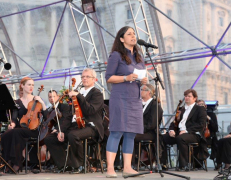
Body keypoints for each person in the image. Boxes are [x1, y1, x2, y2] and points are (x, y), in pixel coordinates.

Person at [105, 26, 148, 178]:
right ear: (122, 39)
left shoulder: (139, 57)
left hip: (134, 99)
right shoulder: (116, 55)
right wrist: (125, 78)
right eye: (129, 34)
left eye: (134, 33)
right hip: (120, 98)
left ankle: (127, 167)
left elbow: (139, 78)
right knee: (117, 131)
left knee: (131, 133)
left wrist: (143, 81)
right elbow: (109, 77)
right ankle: (110, 168)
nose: (133, 36)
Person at [0, 77, 46, 171]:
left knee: (16, 133)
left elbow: (46, 116)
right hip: (20, 128)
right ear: (22, 85)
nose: (31, 87)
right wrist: (12, 124)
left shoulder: (36, 100)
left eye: (32, 85)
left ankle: (16, 163)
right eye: (29, 84)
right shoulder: (17, 102)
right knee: (5, 135)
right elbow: (14, 118)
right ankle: (8, 161)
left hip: (32, 130)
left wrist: (42, 103)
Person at [160, 89, 208, 171]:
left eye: (189, 96)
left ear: (195, 98)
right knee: (162, 137)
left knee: (181, 138)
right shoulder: (181, 109)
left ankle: (184, 165)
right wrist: (171, 130)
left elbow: (201, 125)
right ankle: (163, 164)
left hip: (193, 134)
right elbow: (174, 122)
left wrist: (186, 131)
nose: (186, 98)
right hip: (179, 133)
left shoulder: (200, 109)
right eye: (185, 96)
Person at [67, 68, 104, 173]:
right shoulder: (79, 92)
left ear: (94, 79)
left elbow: (90, 110)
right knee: (55, 137)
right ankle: (64, 165)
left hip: (92, 126)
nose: (84, 78)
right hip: (78, 125)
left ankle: (82, 164)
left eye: (88, 76)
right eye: (83, 76)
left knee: (73, 135)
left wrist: (78, 96)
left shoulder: (97, 94)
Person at [132, 84, 163, 167]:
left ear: (149, 92)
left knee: (131, 137)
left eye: (142, 89)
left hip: (150, 132)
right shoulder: (138, 104)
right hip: (138, 130)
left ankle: (134, 163)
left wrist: (138, 129)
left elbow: (152, 124)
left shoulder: (155, 105)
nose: (140, 91)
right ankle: (122, 163)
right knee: (124, 135)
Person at [43, 90, 72, 172]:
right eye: (49, 97)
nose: (51, 98)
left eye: (53, 96)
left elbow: (66, 120)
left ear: (58, 97)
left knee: (50, 139)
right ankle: (57, 163)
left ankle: (65, 165)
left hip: (64, 130)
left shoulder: (64, 107)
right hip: (55, 131)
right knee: (48, 138)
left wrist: (58, 130)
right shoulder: (50, 109)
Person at [197, 100, 218, 164]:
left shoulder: (211, 114)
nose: (200, 106)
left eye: (202, 105)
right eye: (198, 105)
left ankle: (201, 161)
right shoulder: (195, 116)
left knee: (202, 142)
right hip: (198, 136)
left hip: (209, 137)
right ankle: (197, 164)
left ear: (205, 106)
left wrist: (209, 119)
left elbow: (215, 128)